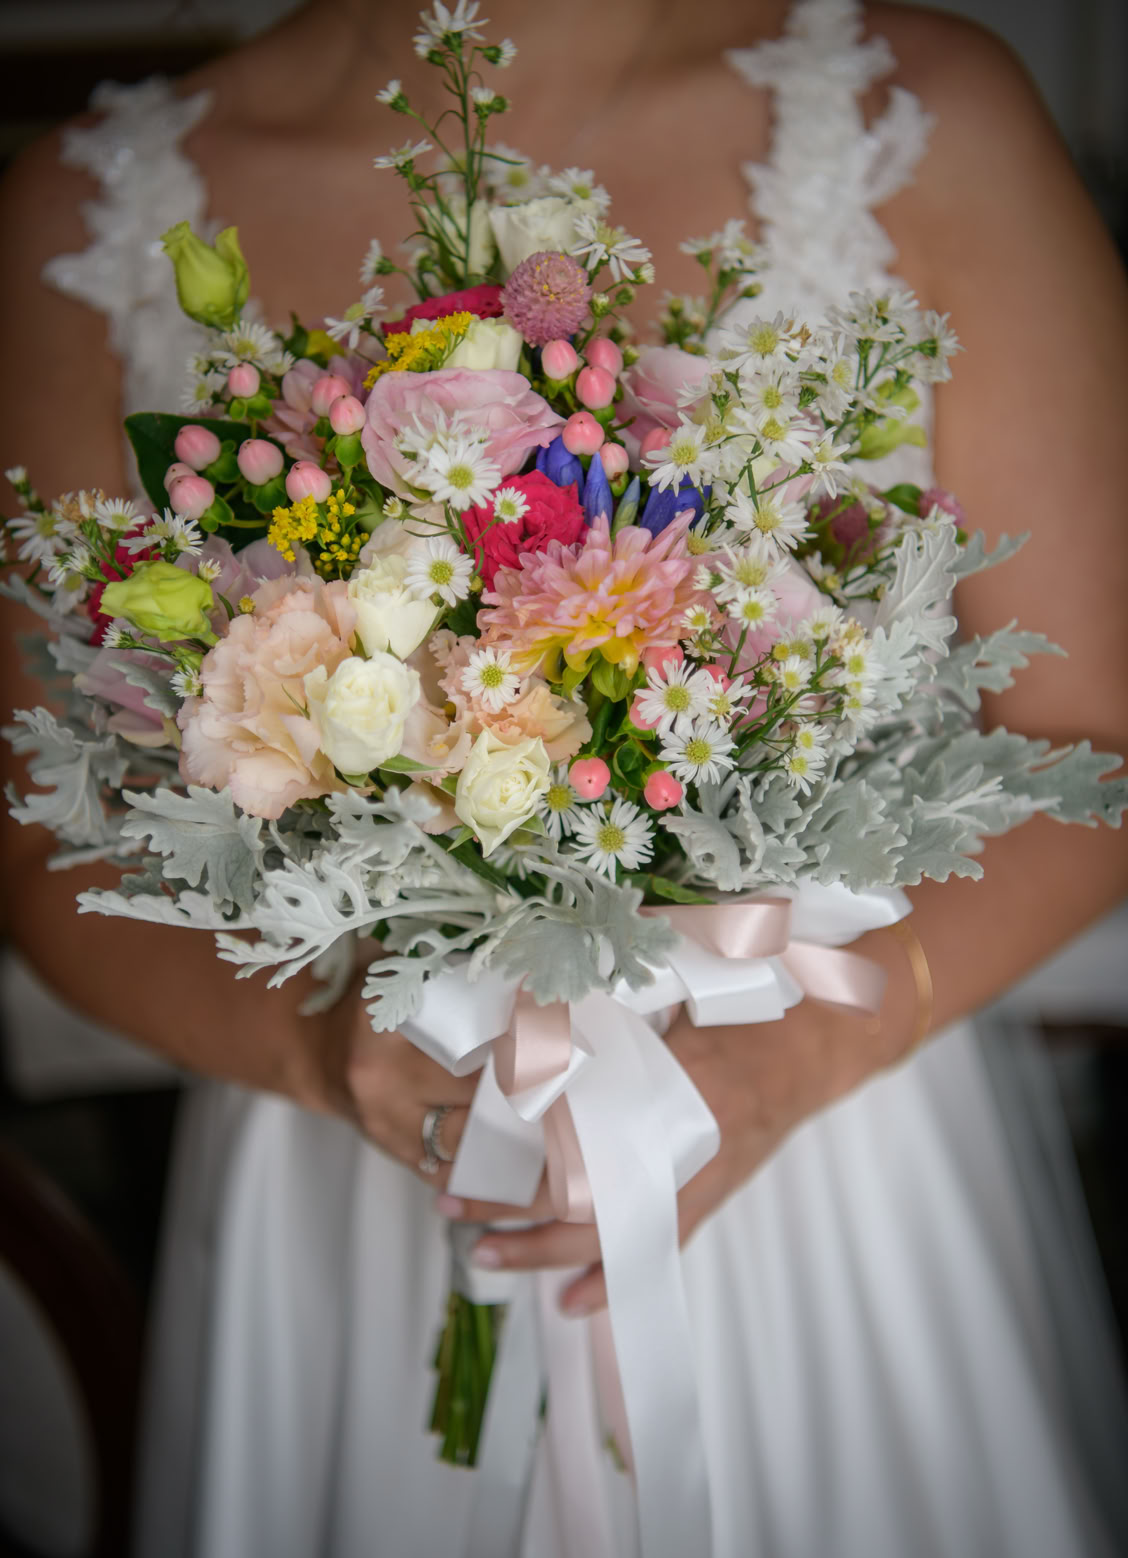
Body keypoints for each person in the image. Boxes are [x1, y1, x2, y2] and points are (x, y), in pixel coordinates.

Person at [1, 0, 1127, 1553]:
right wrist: (330, 1049)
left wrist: (782, 1068)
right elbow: (44, 863)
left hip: (824, 1160)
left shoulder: (924, 118)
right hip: (355, 1172)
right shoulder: (78, 206)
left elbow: (1098, 746)